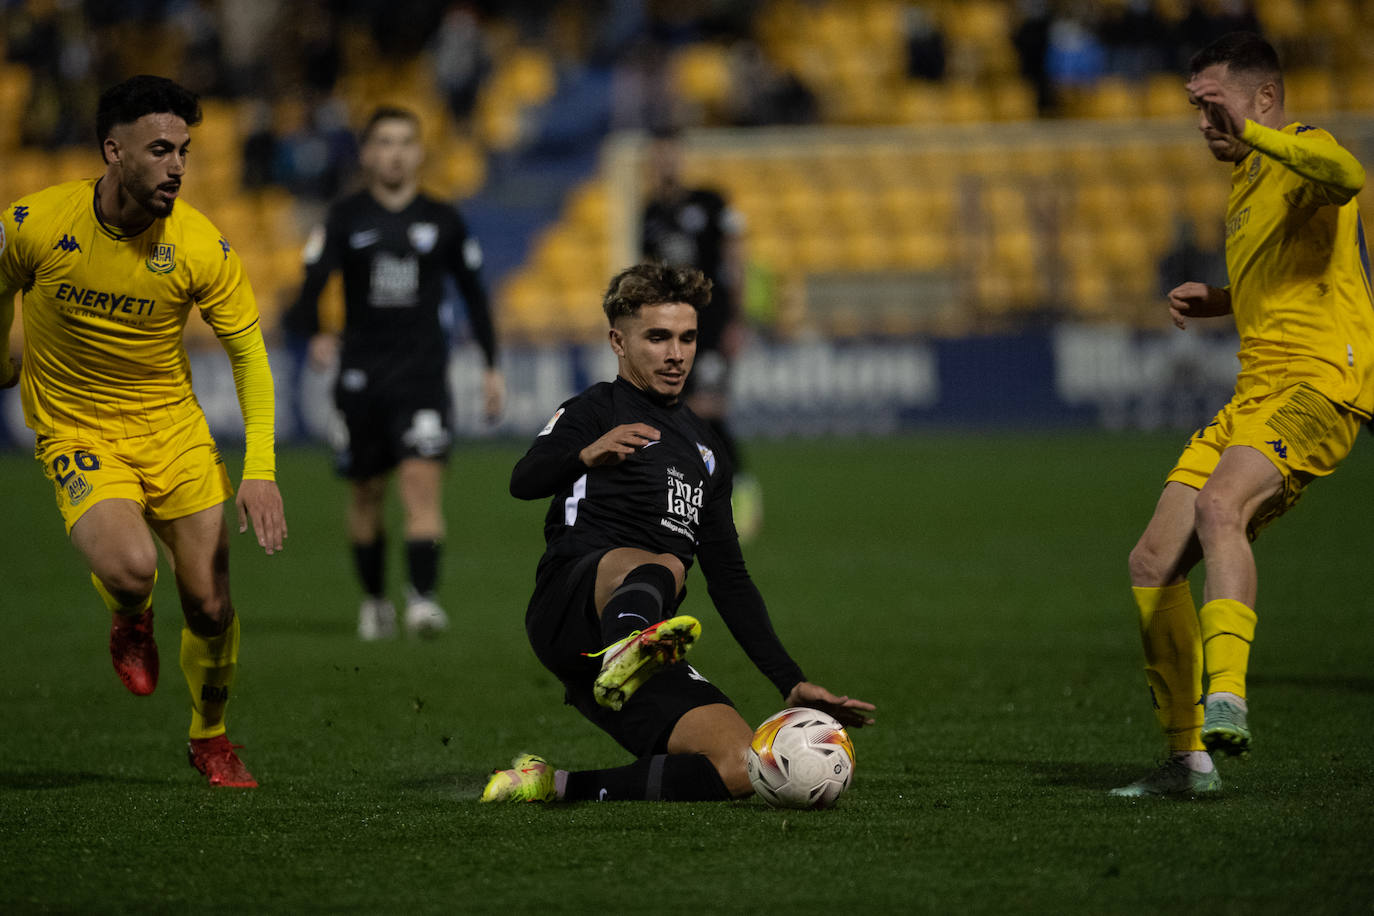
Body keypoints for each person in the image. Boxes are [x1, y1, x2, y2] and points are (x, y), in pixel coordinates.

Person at [480, 263, 874, 803]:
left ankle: (555, 785)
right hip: (570, 603)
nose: (677, 354)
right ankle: (628, 640)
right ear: (618, 341)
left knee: (744, 767)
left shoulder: (706, 450)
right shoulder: (595, 409)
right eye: (658, 337)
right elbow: (522, 480)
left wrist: (789, 680)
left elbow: (729, 578)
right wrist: (585, 454)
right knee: (665, 562)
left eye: (687, 338)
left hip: (642, 638)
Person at [0, 75, 287, 787]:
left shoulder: (200, 247)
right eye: (161, 149)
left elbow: (249, 356)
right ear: (113, 150)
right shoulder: (35, 222)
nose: (178, 166)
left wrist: (261, 469)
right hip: (78, 432)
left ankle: (209, 736)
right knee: (132, 569)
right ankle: (131, 613)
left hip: (174, 433)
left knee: (212, 604)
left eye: (185, 150)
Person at [1113, 32, 1374, 798]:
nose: (1203, 123)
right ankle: (1185, 763)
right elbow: (1286, 279)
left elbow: (1348, 174)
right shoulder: (1249, 180)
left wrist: (1259, 134)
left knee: (1221, 504)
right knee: (1151, 561)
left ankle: (1227, 694)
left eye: (1213, 104)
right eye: (1195, 108)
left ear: (1262, 99)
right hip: (1252, 393)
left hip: (1320, 384)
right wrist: (1221, 298)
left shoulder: (1298, 148)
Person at [284, 105, 502, 641]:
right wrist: (314, 332)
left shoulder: (444, 219)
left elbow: (476, 297)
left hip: (424, 375)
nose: (396, 151)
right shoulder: (344, 216)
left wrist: (492, 366)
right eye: (384, 141)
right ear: (368, 153)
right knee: (365, 494)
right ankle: (376, 601)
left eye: (406, 141)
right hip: (361, 376)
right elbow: (309, 289)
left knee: (421, 485)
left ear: (420, 152)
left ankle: (422, 601)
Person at [639, 126, 763, 540]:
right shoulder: (651, 213)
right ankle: (693, 499)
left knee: (709, 411)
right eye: (659, 154)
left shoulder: (709, 202)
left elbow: (734, 260)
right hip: (673, 331)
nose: (666, 162)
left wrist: (737, 320)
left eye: (671, 153)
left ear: (681, 157)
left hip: (711, 325)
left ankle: (741, 490)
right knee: (679, 415)